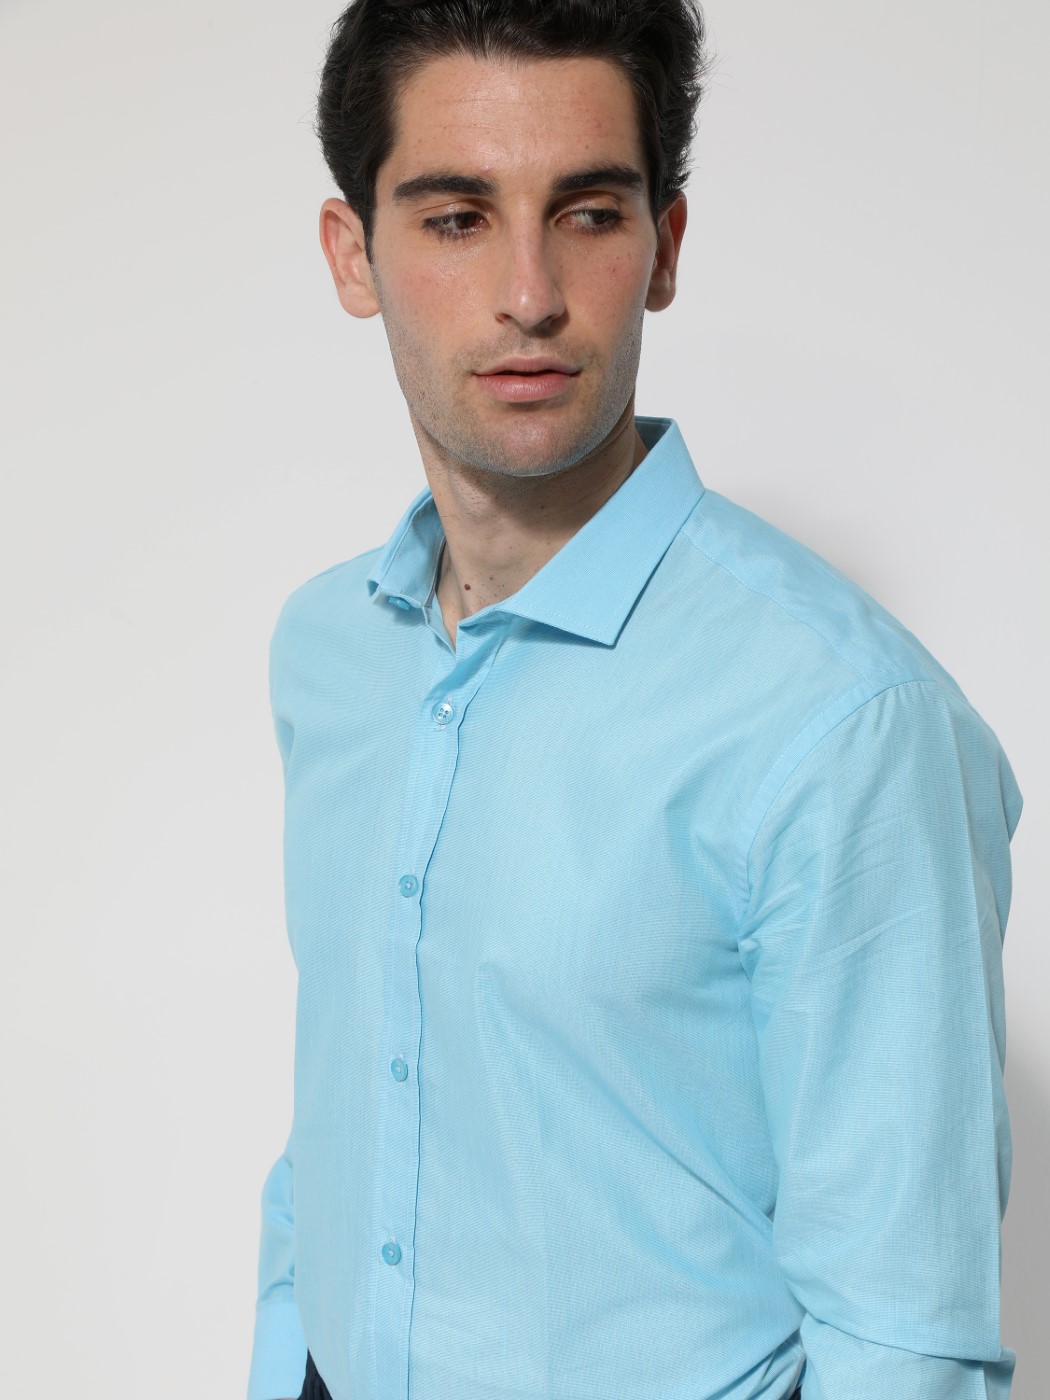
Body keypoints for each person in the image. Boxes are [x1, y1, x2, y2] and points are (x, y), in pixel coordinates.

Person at [247, 2, 1020, 1398]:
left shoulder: (844, 720)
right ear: (351, 254)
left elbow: (904, 1336)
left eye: (588, 214)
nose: (528, 294)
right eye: (457, 218)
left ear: (663, 248)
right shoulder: (330, 652)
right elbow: (347, 1116)